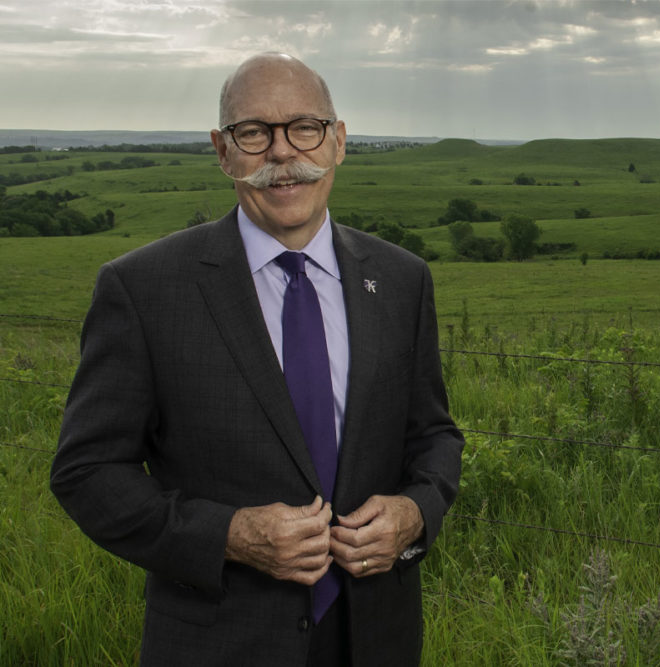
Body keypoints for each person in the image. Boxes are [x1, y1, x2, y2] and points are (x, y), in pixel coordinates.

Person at [50, 52, 463, 666]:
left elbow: (432, 435)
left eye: (304, 126)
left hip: (375, 637)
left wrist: (415, 512)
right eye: (253, 133)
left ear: (338, 141)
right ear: (222, 151)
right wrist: (230, 536)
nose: (282, 153)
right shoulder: (143, 289)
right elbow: (86, 473)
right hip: (220, 643)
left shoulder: (402, 280)